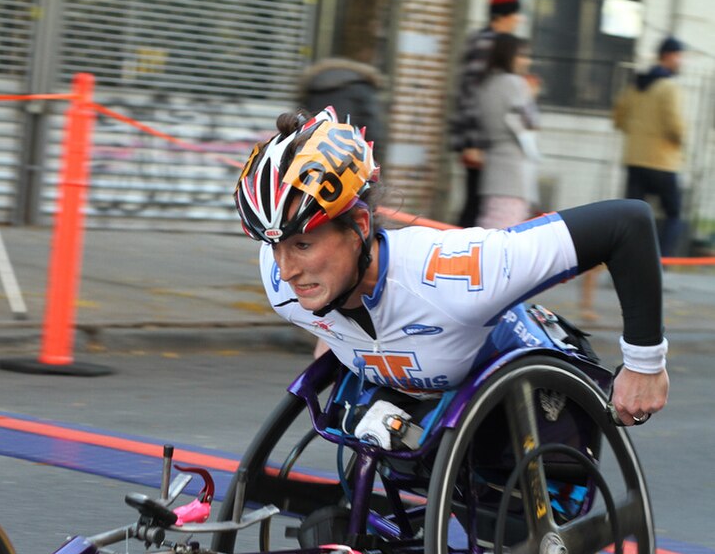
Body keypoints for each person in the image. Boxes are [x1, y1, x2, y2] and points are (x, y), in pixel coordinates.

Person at [235, 108, 668, 427]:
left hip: (525, 421)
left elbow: (626, 223)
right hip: (418, 419)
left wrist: (644, 363)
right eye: (274, 247)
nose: (286, 270)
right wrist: (331, 333)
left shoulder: (461, 274)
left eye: (303, 244)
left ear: (360, 227)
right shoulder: (280, 283)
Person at [450, 0, 523, 228]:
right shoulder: (487, 44)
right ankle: (457, 256)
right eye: (515, 15)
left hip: (484, 141)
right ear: (504, 16)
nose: (519, 20)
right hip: (478, 141)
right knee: (475, 205)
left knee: (478, 204)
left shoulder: (487, 40)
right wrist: (472, 143)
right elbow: (471, 94)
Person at [613, 36, 687, 258]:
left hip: (635, 160)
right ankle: (660, 263)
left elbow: (618, 118)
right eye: (679, 56)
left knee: (633, 217)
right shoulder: (669, 87)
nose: (681, 62)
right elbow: (675, 125)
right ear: (669, 55)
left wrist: (637, 133)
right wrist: (682, 139)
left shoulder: (635, 85)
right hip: (662, 161)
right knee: (673, 214)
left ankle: (627, 262)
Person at [476, 33, 540, 229]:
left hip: (494, 168)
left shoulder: (487, 84)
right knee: (507, 236)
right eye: (522, 55)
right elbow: (531, 121)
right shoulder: (515, 84)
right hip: (514, 171)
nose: (526, 61)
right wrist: (531, 95)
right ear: (509, 55)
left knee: (490, 229)